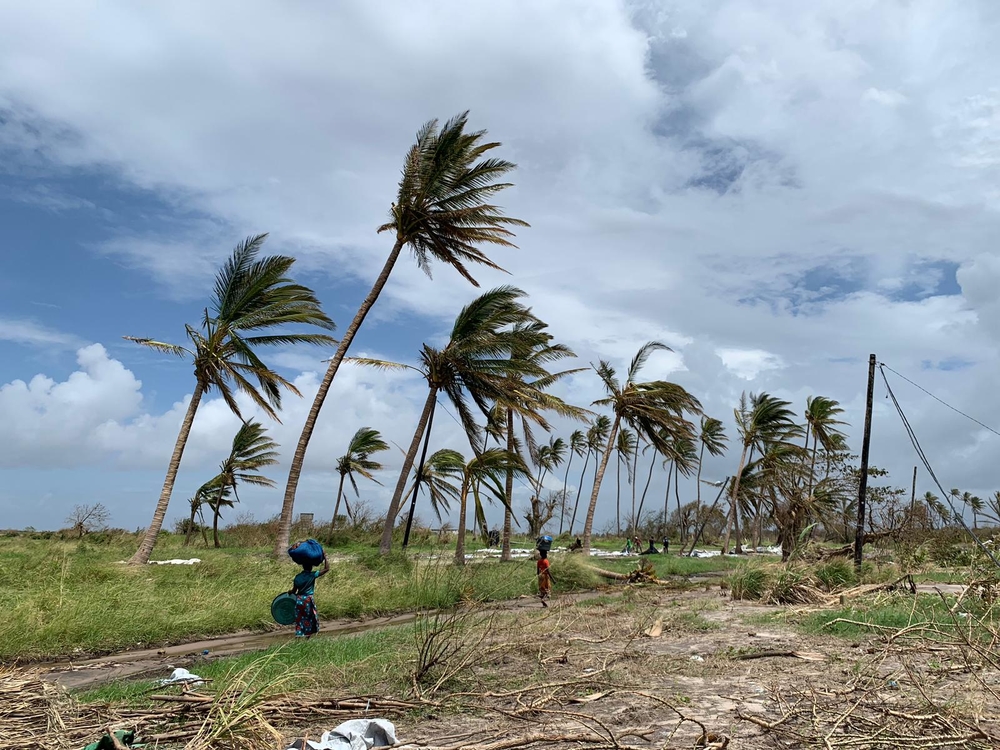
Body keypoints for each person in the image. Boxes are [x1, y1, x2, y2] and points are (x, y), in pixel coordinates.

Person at [289, 553, 329, 638]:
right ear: (311, 567)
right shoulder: (312, 575)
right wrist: (325, 557)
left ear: (303, 567)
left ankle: (299, 635)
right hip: (308, 600)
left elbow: (294, 590)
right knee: (309, 618)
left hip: (299, 599)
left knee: (300, 618)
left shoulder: (297, 577)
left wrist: (290, 592)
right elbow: (326, 569)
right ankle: (307, 637)